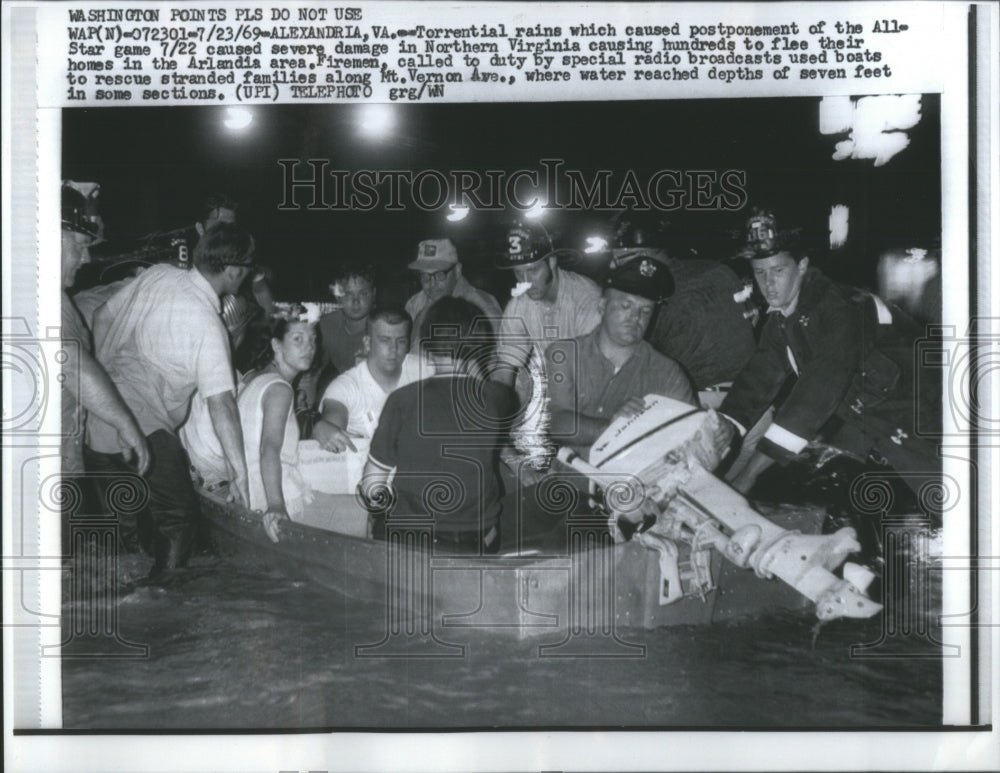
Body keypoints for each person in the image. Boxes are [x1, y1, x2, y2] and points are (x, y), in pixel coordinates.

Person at [719, 213, 941, 502]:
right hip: (871, 423)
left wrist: (747, 476)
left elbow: (815, 395)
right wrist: (719, 429)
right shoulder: (781, 320)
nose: (768, 284)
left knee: (957, 511)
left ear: (802, 266)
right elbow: (756, 382)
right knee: (824, 499)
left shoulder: (840, 309)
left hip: (926, 424)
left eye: (777, 271)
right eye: (760, 273)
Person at [87, 222, 254, 576]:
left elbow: (102, 317)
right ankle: (160, 606)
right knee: (179, 521)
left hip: (99, 427)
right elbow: (222, 404)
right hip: (143, 428)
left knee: (125, 535)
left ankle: (122, 609)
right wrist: (240, 474)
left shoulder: (158, 275)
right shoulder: (209, 325)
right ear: (235, 270)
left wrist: (101, 389)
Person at [359, 297, 515, 554]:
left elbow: (372, 486)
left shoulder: (402, 400)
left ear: (426, 344)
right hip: (473, 541)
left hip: (406, 539)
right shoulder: (497, 399)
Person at [544, 257, 699, 456]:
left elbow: (690, 436)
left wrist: (717, 434)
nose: (636, 318)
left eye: (645, 310)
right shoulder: (564, 355)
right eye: (626, 306)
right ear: (602, 306)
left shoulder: (668, 373)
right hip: (573, 480)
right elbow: (556, 420)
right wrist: (612, 428)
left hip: (637, 482)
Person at [59, 181, 150, 487]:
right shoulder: (39, 297)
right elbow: (69, 362)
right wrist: (125, 422)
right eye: (79, 245)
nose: (86, 259)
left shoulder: (58, 298)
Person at [611, 210, 757, 393]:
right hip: (752, 398)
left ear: (645, 257)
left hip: (700, 405)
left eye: (620, 260)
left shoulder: (652, 293)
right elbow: (753, 318)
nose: (612, 267)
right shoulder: (720, 271)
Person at [493, 220, 603, 396]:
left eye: (533, 270)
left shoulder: (587, 299)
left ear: (552, 262)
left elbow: (594, 374)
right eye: (518, 273)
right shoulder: (519, 305)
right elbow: (505, 369)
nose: (525, 281)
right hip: (550, 392)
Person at [238, 312, 319, 543]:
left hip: (254, 492)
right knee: (361, 509)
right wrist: (276, 505)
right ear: (276, 345)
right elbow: (269, 448)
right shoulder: (280, 390)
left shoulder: (255, 378)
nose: (309, 347)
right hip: (276, 496)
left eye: (313, 340)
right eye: (298, 339)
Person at [313, 307, 425, 454]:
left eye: (401, 341)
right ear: (367, 343)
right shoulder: (345, 387)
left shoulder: (425, 370)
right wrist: (324, 428)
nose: (393, 349)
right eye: (385, 340)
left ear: (409, 344)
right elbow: (332, 420)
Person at [404, 238, 503, 350]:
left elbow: (495, 360)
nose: (432, 284)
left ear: (457, 270)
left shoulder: (483, 307)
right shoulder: (415, 303)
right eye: (425, 276)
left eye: (440, 275)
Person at [318, 262, 378, 377]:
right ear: (337, 297)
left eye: (363, 293)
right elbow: (312, 374)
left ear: (374, 294)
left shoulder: (383, 329)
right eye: (348, 294)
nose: (356, 301)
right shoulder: (327, 324)